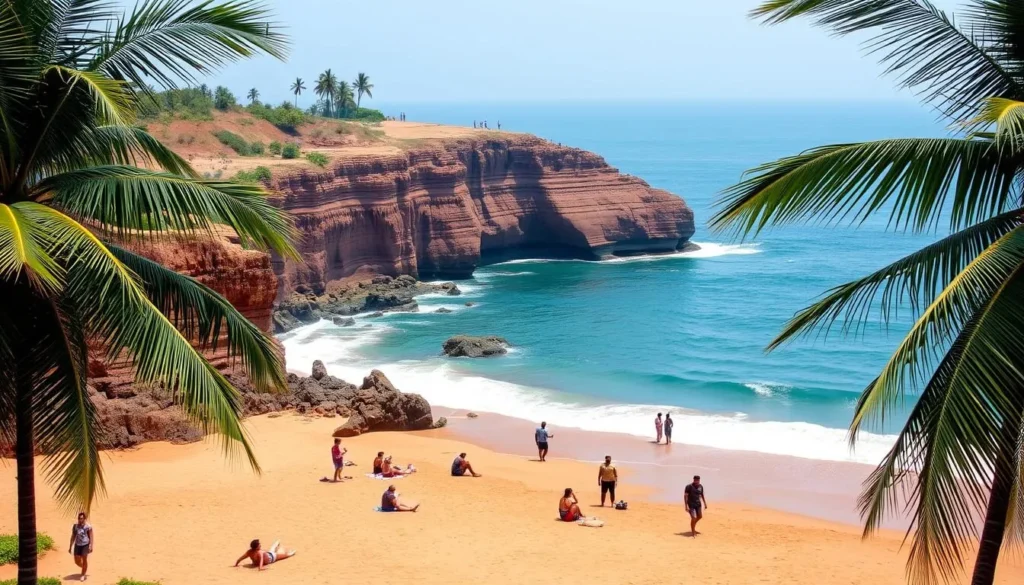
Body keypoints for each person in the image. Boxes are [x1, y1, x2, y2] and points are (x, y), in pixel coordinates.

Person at [68, 512, 93, 582]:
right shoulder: (75, 526)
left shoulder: (88, 526)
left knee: (84, 559)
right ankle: (84, 567)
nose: (80, 520)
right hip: (77, 545)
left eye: (81, 518)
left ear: (84, 519)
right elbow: (73, 536)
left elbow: (91, 536)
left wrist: (91, 545)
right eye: (79, 518)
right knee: (76, 561)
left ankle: (83, 574)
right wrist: (70, 546)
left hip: (85, 544)